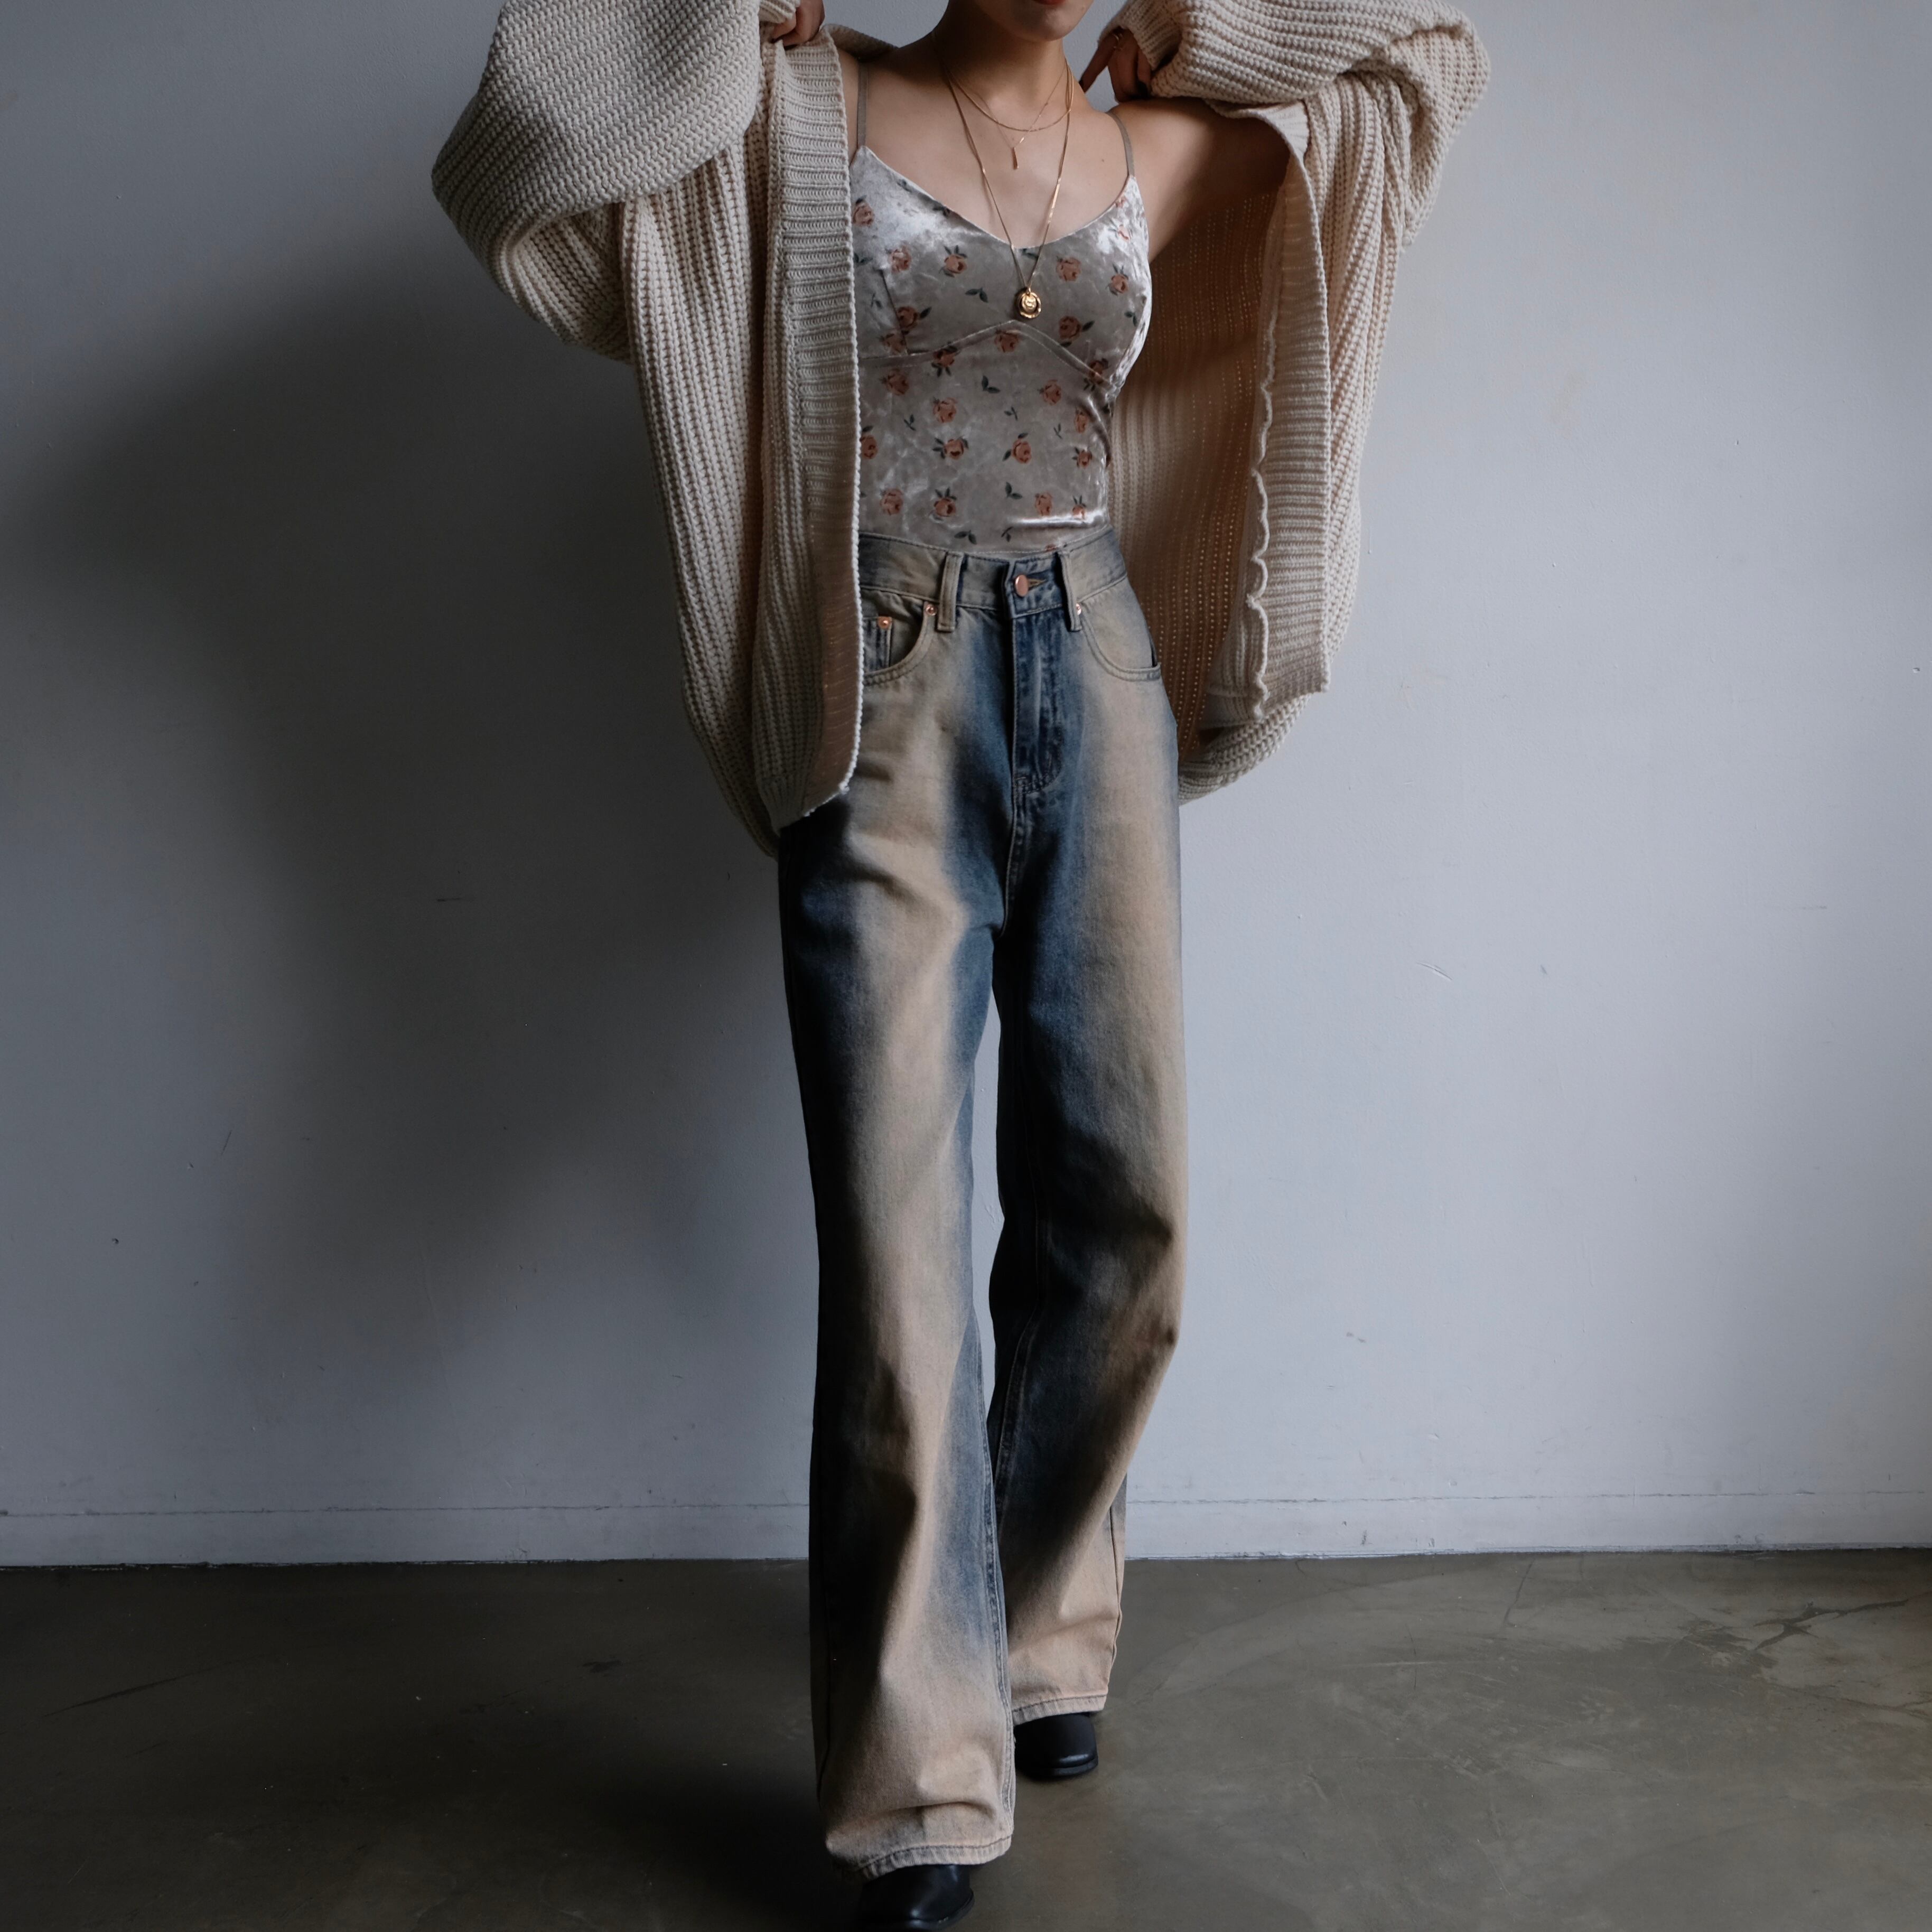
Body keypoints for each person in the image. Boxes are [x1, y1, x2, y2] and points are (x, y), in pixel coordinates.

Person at [434, 3, 1485, 1925]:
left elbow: (1420, 62)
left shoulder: (1152, 146)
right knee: (900, 1258)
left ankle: (1035, 1636)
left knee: (1127, 1205)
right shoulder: (794, 104)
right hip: (886, 685)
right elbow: (519, 155)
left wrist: (1208, 24)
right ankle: (917, 1784)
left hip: (1097, 655)